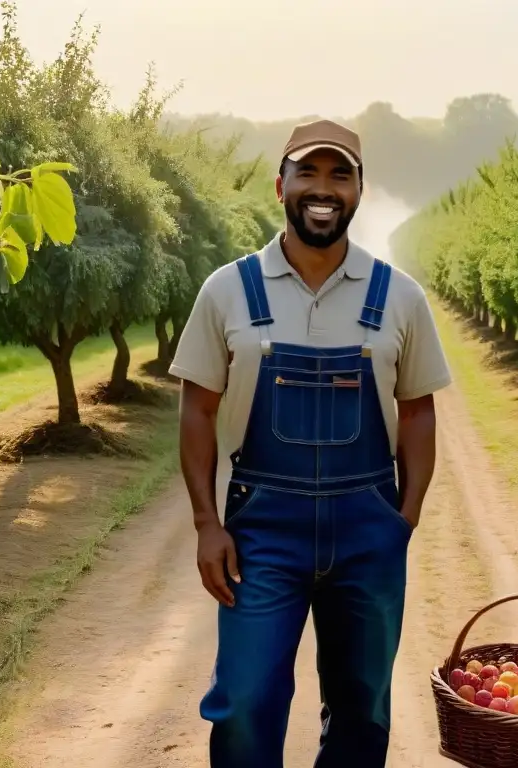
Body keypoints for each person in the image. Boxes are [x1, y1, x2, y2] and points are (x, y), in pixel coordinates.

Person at [169, 118, 452, 768]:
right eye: (308, 172)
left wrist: (400, 522)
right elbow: (196, 410)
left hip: (367, 533)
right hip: (263, 533)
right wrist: (207, 523)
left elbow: (417, 413)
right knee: (244, 703)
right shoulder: (228, 291)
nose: (323, 188)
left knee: (362, 708)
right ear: (281, 186)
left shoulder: (400, 297)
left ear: (359, 192)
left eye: (339, 174)